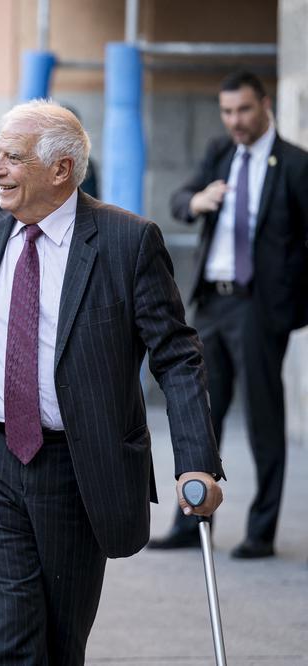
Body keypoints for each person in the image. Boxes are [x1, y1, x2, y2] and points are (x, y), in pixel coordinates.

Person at [0, 100, 224, 665]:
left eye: (12, 157)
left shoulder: (128, 243)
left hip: (78, 468)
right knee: (9, 628)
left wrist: (195, 460)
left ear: (59, 171)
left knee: (60, 638)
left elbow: (176, 356)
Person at [149, 71, 308, 559]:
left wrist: (289, 304)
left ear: (265, 105)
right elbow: (179, 201)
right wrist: (197, 201)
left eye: (243, 110)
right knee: (202, 416)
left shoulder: (296, 165)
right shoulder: (220, 153)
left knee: (263, 420)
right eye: (227, 112)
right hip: (211, 305)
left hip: (258, 307)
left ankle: (261, 531)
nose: (234, 121)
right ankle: (191, 523)